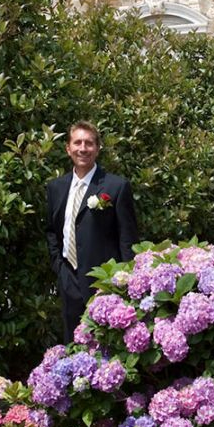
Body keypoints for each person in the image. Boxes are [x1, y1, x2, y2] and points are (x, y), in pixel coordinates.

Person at [45, 121, 139, 340]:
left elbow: (128, 239)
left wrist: (126, 282)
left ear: (97, 148)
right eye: (77, 142)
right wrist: (59, 266)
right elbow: (51, 231)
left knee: (105, 345)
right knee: (73, 343)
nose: (83, 148)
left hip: (104, 283)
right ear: (68, 148)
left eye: (89, 143)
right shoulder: (55, 188)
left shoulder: (116, 186)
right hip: (69, 278)